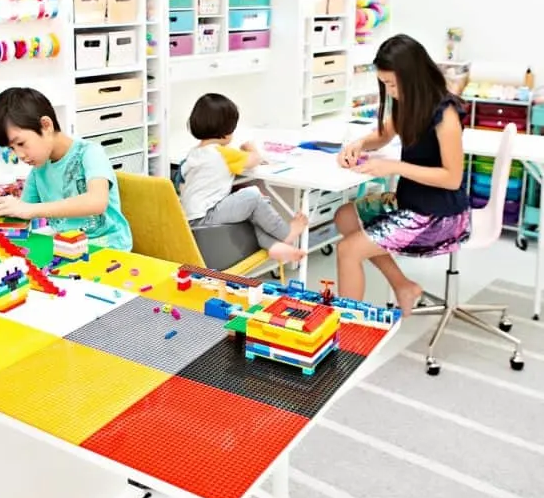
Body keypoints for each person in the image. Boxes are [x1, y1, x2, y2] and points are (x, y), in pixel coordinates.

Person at [335, 34, 470, 315]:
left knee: (349, 250)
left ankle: (349, 331)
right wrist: (358, 144)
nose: (391, 90)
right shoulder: (407, 101)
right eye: (385, 84)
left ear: (414, 76)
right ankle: (403, 285)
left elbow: (452, 178)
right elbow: (383, 135)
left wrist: (395, 167)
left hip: (439, 214)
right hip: (412, 201)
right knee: (344, 217)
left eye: (393, 84)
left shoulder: (445, 113)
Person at [0, 87, 132, 251]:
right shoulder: (38, 170)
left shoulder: (90, 153)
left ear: (46, 125)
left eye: (21, 144)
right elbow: (23, 214)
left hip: (109, 247)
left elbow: (97, 202)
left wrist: (29, 210)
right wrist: (5, 211)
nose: (20, 155)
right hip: (67, 249)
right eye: (12, 148)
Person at [177, 92, 307, 264]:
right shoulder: (224, 153)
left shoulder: (193, 154)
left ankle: (275, 247)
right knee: (253, 196)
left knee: (249, 213)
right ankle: (286, 233)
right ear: (226, 132)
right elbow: (254, 160)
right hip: (206, 218)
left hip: (189, 220)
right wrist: (251, 147)